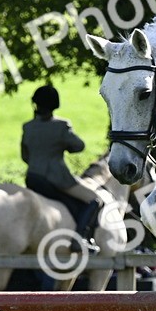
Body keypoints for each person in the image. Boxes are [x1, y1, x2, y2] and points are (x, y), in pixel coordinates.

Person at [20, 85, 105, 244]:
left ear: (35, 104)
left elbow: (25, 156)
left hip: (32, 177)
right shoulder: (61, 126)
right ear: (55, 105)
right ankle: (80, 240)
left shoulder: (28, 127)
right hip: (55, 179)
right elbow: (79, 146)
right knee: (95, 200)